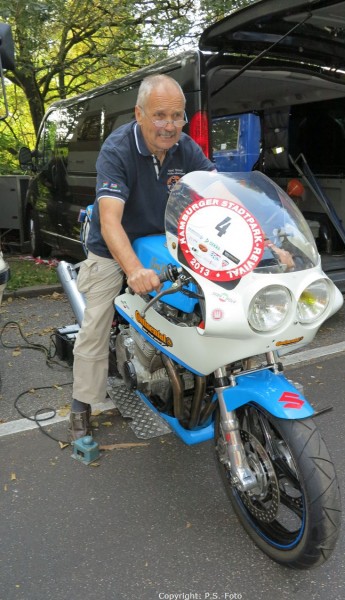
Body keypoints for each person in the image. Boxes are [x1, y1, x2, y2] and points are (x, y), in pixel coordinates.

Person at [68, 74, 215, 441]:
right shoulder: (117, 149)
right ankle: (82, 403)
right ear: (139, 114)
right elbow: (110, 220)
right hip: (115, 245)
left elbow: (220, 195)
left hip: (164, 242)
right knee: (96, 323)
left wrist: (265, 243)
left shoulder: (187, 149)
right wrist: (132, 269)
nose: (169, 126)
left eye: (177, 116)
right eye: (160, 115)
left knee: (206, 301)